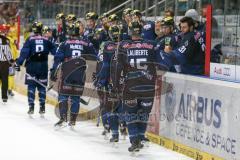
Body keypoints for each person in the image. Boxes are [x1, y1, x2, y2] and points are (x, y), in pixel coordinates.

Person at [116, 21, 162, 152]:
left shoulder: (123, 46)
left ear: (130, 32)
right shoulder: (152, 45)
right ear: (141, 31)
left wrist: (116, 84)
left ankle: (135, 139)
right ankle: (140, 137)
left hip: (130, 86)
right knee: (143, 113)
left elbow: (117, 67)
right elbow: (162, 63)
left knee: (130, 113)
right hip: (147, 85)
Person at [51, 22, 97, 127]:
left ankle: (63, 117)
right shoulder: (87, 43)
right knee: (75, 97)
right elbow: (95, 58)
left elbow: (57, 58)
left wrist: (53, 72)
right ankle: (73, 120)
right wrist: (95, 73)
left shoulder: (65, 43)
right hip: (80, 72)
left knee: (63, 95)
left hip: (67, 71)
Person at [15, 21, 56, 115]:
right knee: (42, 86)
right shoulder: (46, 40)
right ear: (41, 29)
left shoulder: (29, 39)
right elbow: (56, 52)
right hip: (43, 66)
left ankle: (31, 107)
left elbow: (24, 53)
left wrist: (18, 63)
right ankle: (42, 107)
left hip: (32, 66)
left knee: (31, 86)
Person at [96, 25, 127, 142]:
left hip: (112, 81)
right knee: (122, 103)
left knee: (112, 106)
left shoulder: (107, 46)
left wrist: (101, 80)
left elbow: (105, 65)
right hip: (125, 80)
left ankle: (114, 133)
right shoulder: (127, 44)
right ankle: (123, 123)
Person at [0, 24, 13, 103]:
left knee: (4, 80)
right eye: (5, 30)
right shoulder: (7, 40)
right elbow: (9, 53)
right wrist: (11, 61)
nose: (6, 32)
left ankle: (4, 96)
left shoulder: (7, 40)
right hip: (4, 63)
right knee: (5, 80)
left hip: (4, 63)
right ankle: (4, 97)